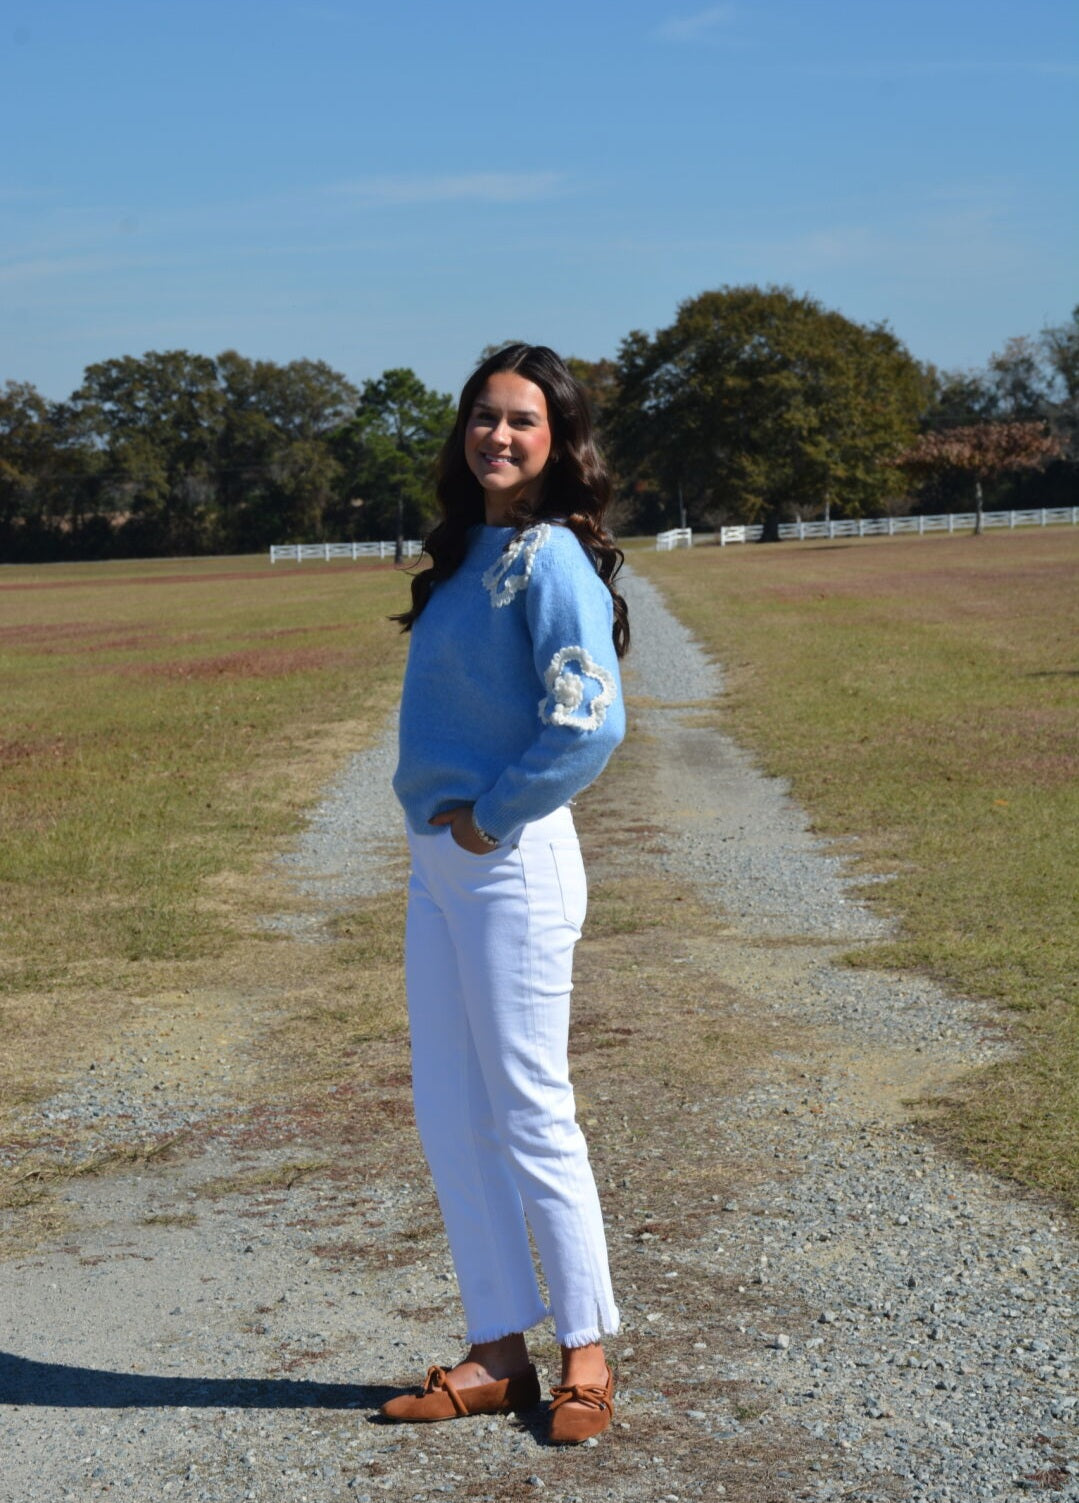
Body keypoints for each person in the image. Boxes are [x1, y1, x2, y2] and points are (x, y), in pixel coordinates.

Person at [383, 344, 630, 1445]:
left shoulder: (551, 560)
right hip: (440, 870)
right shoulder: (466, 552)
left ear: (558, 440)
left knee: (529, 1111)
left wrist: (494, 816)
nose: (498, 436)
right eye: (484, 418)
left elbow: (591, 721)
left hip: (507, 860)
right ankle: (497, 1352)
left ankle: (584, 1354)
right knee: (450, 1112)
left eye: (522, 422)